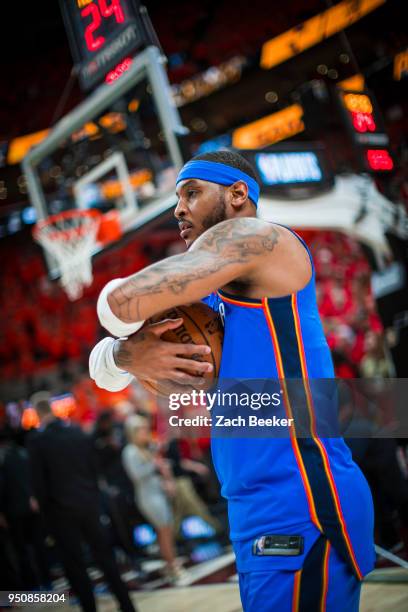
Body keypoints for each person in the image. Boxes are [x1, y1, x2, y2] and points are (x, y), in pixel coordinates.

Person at [89, 150, 375, 611]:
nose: (178, 209)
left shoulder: (260, 239)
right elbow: (104, 374)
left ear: (239, 194)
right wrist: (124, 353)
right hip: (254, 507)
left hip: (300, 502)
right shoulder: (212, 299)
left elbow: (119, 303)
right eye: (177, 198)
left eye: (192, 193)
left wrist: (121, 341)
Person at [27, 392, 136, 612]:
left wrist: (46, 518)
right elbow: (94, 468)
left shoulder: (37, 441)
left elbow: (39, 483)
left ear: (37, 413)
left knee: (74, 565)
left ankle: (89, 608)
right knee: (105, 557)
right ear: (52, 408)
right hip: (89, 504)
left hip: (60, 511)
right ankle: (127, 605)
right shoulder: (76, 432)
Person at [122, 414, 184, 582]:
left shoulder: (146, 449)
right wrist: (154, 465)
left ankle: (171, 564)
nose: (146, 433)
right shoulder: (130, 451)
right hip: (148, 497)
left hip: (157, 493)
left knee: (166, 531)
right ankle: (172, 566)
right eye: (142, 430)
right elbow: (136, 475)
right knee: (164, 531)